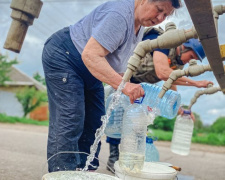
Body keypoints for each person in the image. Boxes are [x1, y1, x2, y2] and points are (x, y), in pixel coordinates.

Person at [42, 0, 181, 172]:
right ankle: (61, 173)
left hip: (90, 68)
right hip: (66, 57)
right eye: (159, 10)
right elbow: (91, 55)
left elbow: (116, 68)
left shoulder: (139, 27)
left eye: (165, 15)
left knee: (96, 122)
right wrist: (125, 86)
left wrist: (130, 90)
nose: (160, 18)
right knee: (71, 118)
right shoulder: (120, 15)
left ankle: (84, 172)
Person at [106, 25, 213, 173]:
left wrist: (180, 109)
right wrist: (196, 83)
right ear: (183, 46)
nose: (189, 62)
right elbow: (162, 72)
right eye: (191, 57)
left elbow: (170, 83)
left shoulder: (176, 63)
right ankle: (113, 158)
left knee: (136, 123)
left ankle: (129, 159)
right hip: (122, 78)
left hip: (140, 87)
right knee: (117, 118)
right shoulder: (162, 41)